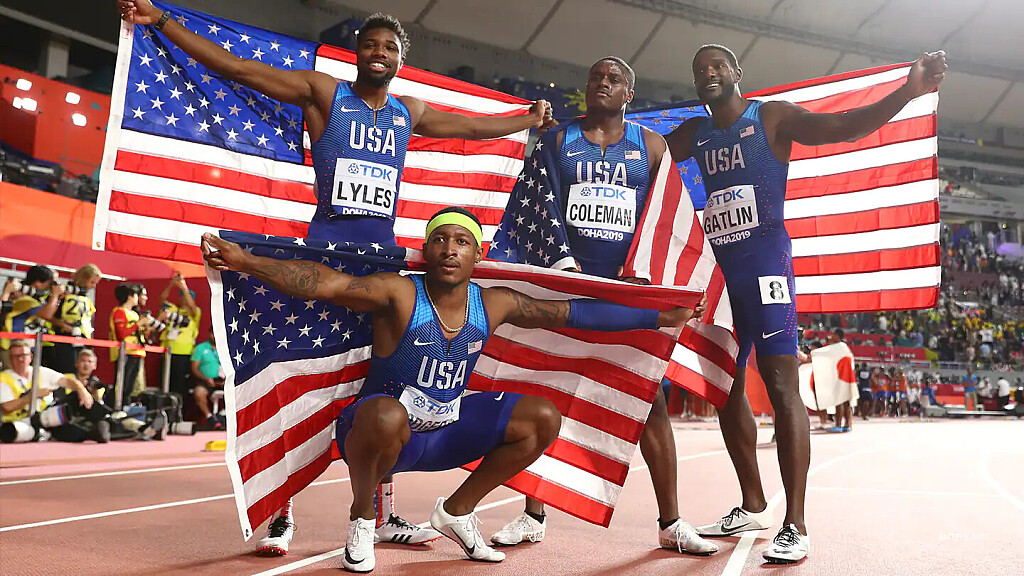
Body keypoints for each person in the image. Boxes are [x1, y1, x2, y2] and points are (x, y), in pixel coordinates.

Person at [116, 0, 554, 553]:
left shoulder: (408, 112)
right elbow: (239, 69)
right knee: (296, 375)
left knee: (388, 387)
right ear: (357, 53)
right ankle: (280, 510)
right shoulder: (326, 94)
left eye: (389, 47)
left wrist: (525, 121)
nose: (379, 52)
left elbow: (469, 127)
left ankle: (382, 512)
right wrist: (163, 23)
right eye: (370, 44)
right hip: (325, 259)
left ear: (400, 59)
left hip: (381, 266)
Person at [201, 207, 704, 572]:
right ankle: (361, 519)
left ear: (477, 254)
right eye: (439, 240)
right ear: (426, 251)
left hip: (442, 433)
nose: (449, 249)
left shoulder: (495, 302)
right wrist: (247, 262)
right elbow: (323, 282)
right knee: (385, 415)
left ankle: (457, 512)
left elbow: (571, 313)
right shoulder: (399, 291)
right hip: (379, 435)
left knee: (541, 417)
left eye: (461, 242)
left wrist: (659, 318)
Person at [663, 44, 947, 562]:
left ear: (737, 73)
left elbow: (845, 127)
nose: (709, 73)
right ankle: (753, 504)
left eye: (718, 65)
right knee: (725, 387)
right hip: (719, 276)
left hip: (765, 267)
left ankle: (795, 523)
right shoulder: (694, 133)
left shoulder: (770, 117)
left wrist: (907, 91)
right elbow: (641, 154)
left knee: (781, 385)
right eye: (699, 69)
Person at [489, 56, 717, 556]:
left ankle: (671, 522)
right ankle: (532, 513)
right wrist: (560, 264)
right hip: (564, 282)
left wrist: (665, 282)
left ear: (628, 94)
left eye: (615, 79)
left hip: (623, 289)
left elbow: (667, 218)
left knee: (649, 401)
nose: (604, 84)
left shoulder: (650, 146)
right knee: (541, 392)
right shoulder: (557, 141)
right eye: (596, 77)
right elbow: (535, 207)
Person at [0, 340, 100, 442]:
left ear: (31, 357)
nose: (20, 359)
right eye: (16, 356)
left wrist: (82, 390)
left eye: (23, 355)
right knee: (57, 425)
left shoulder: (40, 371)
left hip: (48, 415)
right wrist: (32, 396)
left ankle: (106, 420)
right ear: (10, 359)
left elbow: (67, 381)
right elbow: (6, 407)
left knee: (75, 397)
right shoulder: (4, 377)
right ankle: (92, 433)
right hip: (22, 422)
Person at [1, 265, 62, 371]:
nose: (50, 287)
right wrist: (55, 295)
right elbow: (47, 314)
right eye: (49, 283)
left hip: (27, 347)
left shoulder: (38, 299)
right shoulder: (25, 299)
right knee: (13, 376)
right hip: (13, 347)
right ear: (38, 283)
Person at [51, 264, 103, 374]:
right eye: (92, 282)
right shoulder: (64, 292)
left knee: (83, 372)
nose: (94, 286)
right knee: (68, 371)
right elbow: (50, 316)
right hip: (65, 340)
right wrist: (62, 325)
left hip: (84, 339)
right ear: (83, 279)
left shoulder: (85, 297)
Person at [159, 274, 201, 404]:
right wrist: (171, 284)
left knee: (180, 384)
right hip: (167, 351)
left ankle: (179, 409)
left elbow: (192, 307)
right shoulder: (173, 309)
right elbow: (162, 300)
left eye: (187, 296)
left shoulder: (195, 312)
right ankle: (165, 407)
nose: (184, 299)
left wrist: (184, 288)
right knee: (165, 382)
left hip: (184, 353)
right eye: (182, 296)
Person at [109, 283, 152, 408]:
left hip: (137, 352)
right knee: (122, 385)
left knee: (130, 387)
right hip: (125, 353)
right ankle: (115, 408)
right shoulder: (119, 312)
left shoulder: (134, 314)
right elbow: (121, 334)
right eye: (136, 295)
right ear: (130, 296)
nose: (138, 298)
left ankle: (125, 408)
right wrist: (138, 324)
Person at [190, 327, 224, 428]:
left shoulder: (226, 348)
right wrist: (205, 378)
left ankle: (224, 415)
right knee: (199, 392)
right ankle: (209, 417)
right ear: (209, 334)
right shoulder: (200, 348)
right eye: (213, 333)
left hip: (224, 381)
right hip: (205, 381)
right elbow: (194, 369)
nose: (215, 336)